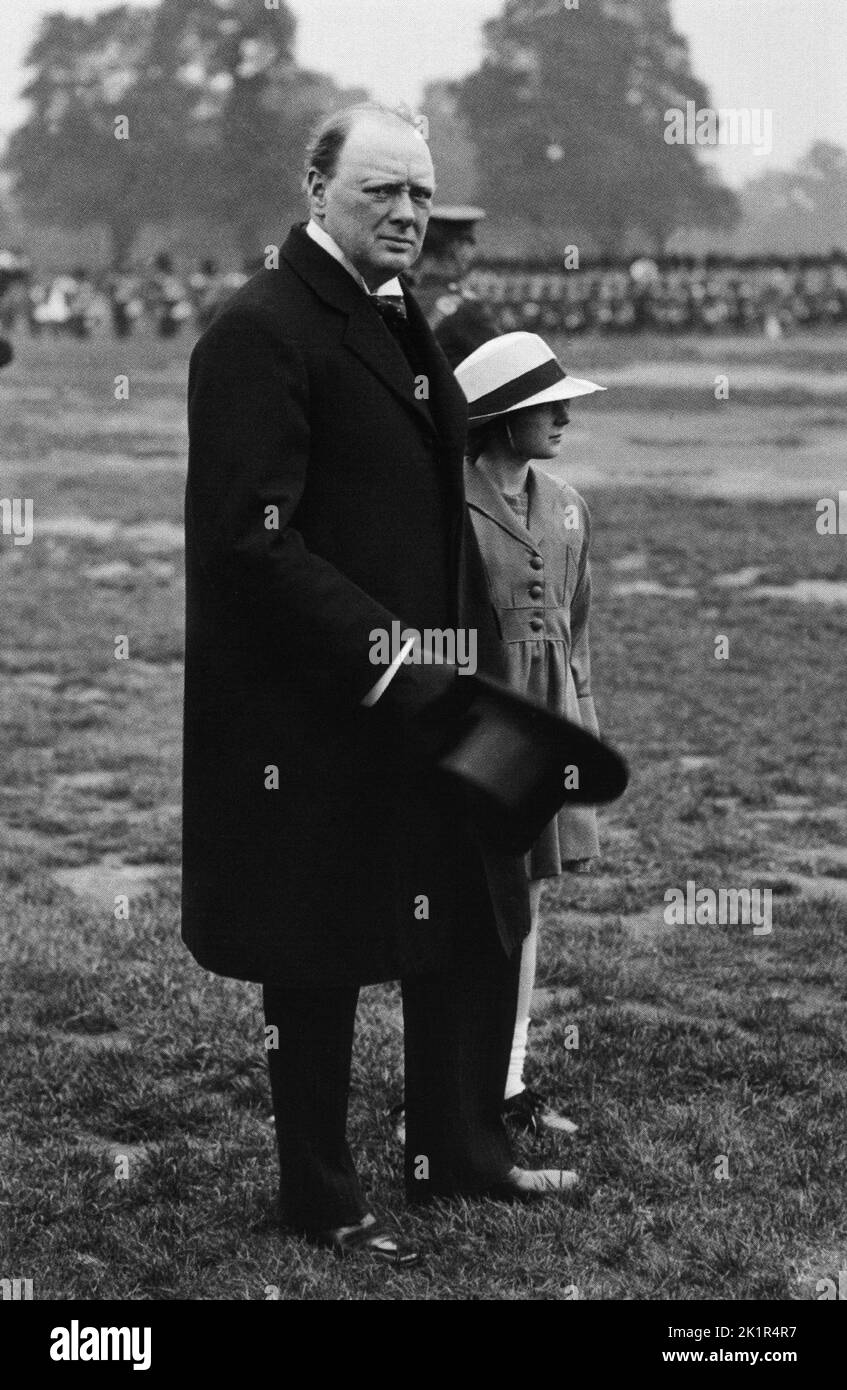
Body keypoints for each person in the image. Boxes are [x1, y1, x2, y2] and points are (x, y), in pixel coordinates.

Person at [182, 102, 577, 1270]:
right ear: (316, 189)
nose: (406, 212)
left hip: (435, 696)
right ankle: (321, 1195)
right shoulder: (259, 330)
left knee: (464, 908)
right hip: (316, 711)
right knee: (316, 954)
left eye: (419, 191)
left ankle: (456, 1149)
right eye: (379, 192)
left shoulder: (398, 320)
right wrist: (389, 652)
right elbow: (253, 540)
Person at [455, 331, 606, 1135]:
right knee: (467, 907)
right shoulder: (445, 507)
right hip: (478, 733)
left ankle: (506, 1082)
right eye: (543, 406)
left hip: (548, 732)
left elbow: (575, 637)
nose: (562, 419)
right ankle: (445, 1087)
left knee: (529, 904)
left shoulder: (570, 507)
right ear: (497, 418)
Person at [411, 205, 500, 368]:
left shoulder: (402, 297)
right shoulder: (466, 308)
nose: (472, 252)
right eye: (470, 242)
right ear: (457, 247)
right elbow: (504, 364)